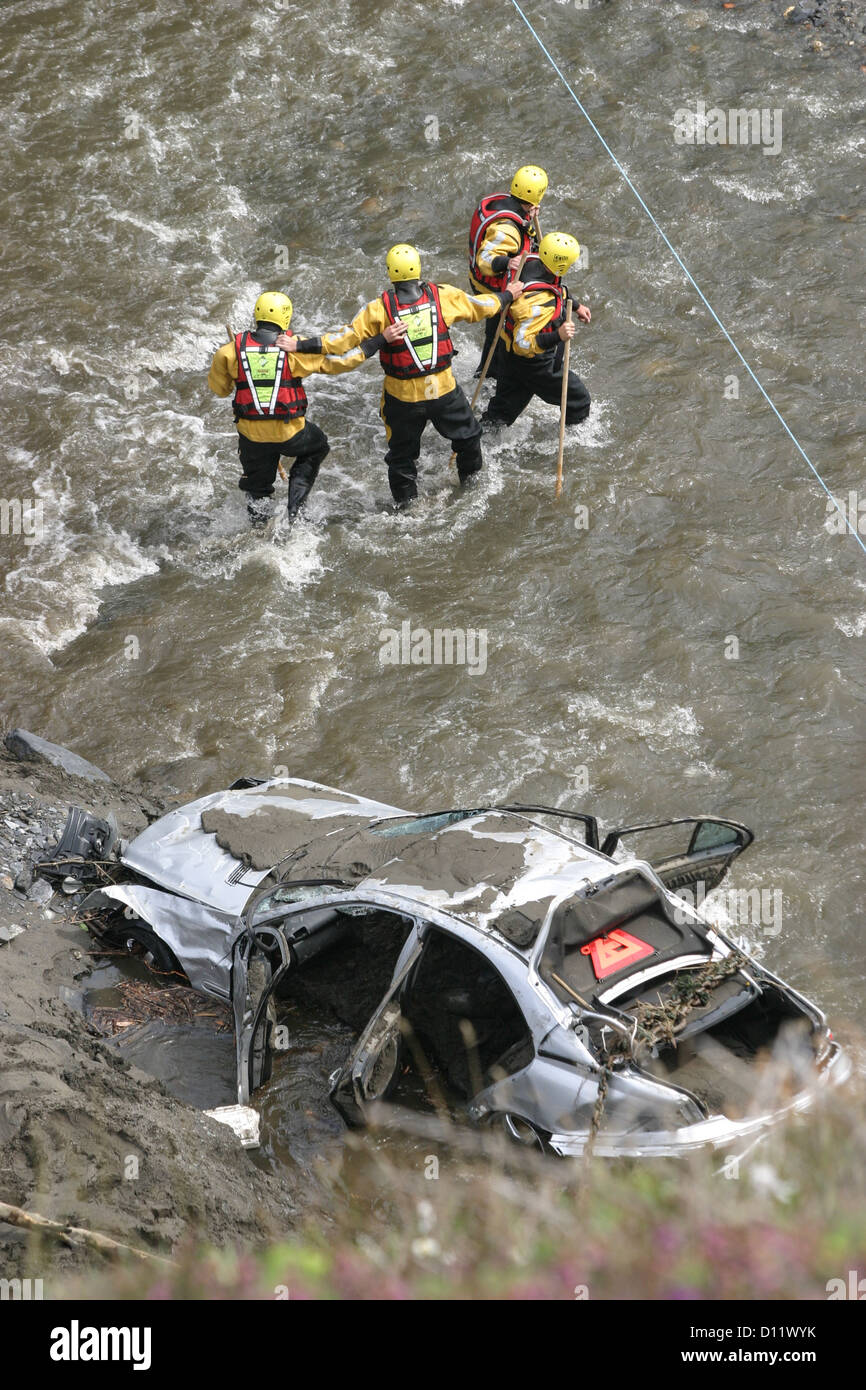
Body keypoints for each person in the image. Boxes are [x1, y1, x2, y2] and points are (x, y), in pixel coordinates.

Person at [288, 245, 524, 508]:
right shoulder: (443, 295)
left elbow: (340, 341)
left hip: (402, 400)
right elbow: (481, 306)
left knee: (401, 457)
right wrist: (507, 294)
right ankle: (470, 490)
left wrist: (299, 345)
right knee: (469, 438)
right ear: (418, 268)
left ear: (390, 272)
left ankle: (407, 508)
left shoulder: (377, 309)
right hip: (444, 393)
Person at [207, 291, 379, 527]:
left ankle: (258, 529)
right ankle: (296, 510)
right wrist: (374, 344)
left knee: (257, 488)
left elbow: (220, 390)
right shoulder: (295, 349)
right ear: (285, 317)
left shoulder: (228, 352)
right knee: (317, 446)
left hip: (252, 437)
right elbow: (341, 362)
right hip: (290, 433)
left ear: (257, 315)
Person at [481, 232, 592, 432]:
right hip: (535, 364)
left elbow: (558, 289)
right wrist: (558, 336)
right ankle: (571, 438)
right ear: (560, 265)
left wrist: (576, 306)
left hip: (508, 354)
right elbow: (523, 344)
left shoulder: (529, 261)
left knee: (500, 414)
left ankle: (476, 440)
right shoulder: (539, 302)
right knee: (578, 399)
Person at [468, 164, 548, 377]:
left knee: (496, 331)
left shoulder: (504, 202)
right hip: (491, 288)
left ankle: (490, 371)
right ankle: (487, 374)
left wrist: (528, 215)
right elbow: (485, 259)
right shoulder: (507, 228)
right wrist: (508, 262)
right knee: (497, 333)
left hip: (482, 281)